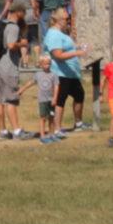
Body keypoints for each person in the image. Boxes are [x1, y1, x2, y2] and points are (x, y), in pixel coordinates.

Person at [0, 2, 35, 141]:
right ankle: (17, 131)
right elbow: (11, 45)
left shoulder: (2, 25)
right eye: (24, 11)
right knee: (11, 99)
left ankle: (3, 132)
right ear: (18, 12)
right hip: (8, 68)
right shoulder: (14, 27)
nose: (25, 15)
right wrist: (21, 44)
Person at [43, 8, 89, 137]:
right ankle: (57, 128)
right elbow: (58, 54)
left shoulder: (62, 33)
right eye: (65, 19)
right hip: (60, 73)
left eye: (69, 19)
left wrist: (78, 47)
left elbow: (67, 48)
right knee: (60, 100)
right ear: (57, 20)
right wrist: (77, 53)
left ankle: (78, 123)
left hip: (70, 73)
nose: (68, 21)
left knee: (79, 95)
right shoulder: (53, 34)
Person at [13, 0, 39, 64]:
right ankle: (37, 62)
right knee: (35, 41)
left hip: (21, 18)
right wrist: (36, 14)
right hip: (31, 17)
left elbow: (14, 7)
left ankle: (25, 62)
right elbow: (33, 4)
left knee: (23, 40)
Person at [34, 55, 60, 144]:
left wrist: (55, 98)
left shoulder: (54, 75)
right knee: (43, 118)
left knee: (51, 117)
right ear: (41, 65)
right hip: (42, 100)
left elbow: (56, 87)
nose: (47, 66)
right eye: (45, 64)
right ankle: (42, 136)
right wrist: (21, 90)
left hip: (51, 100)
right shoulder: (38, 74)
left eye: (49, 64)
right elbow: (31, 82)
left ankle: (51, 134)